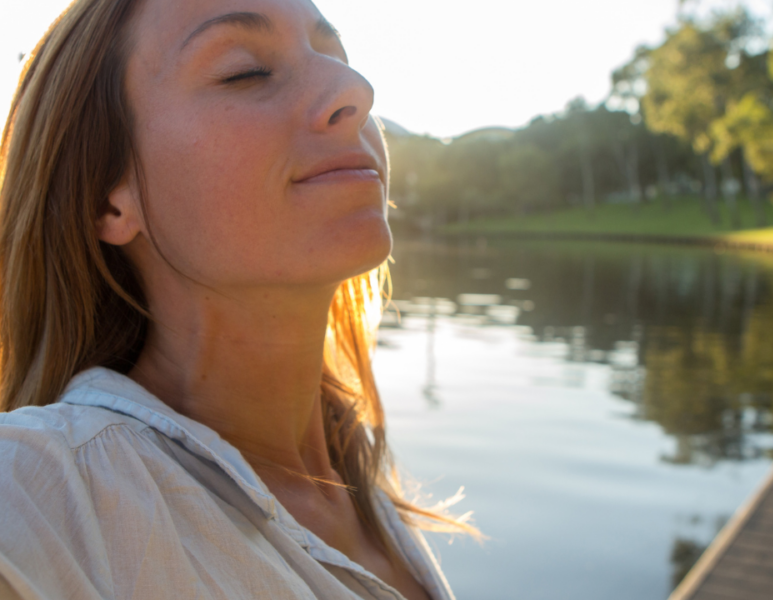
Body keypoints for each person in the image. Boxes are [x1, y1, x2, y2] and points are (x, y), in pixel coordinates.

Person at [0, 0, 474, 598]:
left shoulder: (363, 493)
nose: (356, 89)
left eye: (336, 57)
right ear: (105, 198)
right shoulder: (39, 492)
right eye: (245, 72)